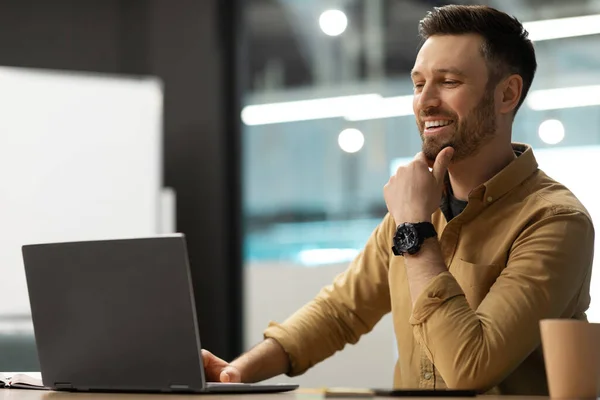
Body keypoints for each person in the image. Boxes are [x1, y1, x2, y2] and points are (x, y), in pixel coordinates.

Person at [202, 4, 595, 395]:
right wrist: (235, 373)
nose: (425, 101)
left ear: (507, 93)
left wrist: (415, 230)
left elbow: (472, 367)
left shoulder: (555, 221)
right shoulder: (418, 206)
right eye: (418, 83)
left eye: (449, 81)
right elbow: (340, 312)